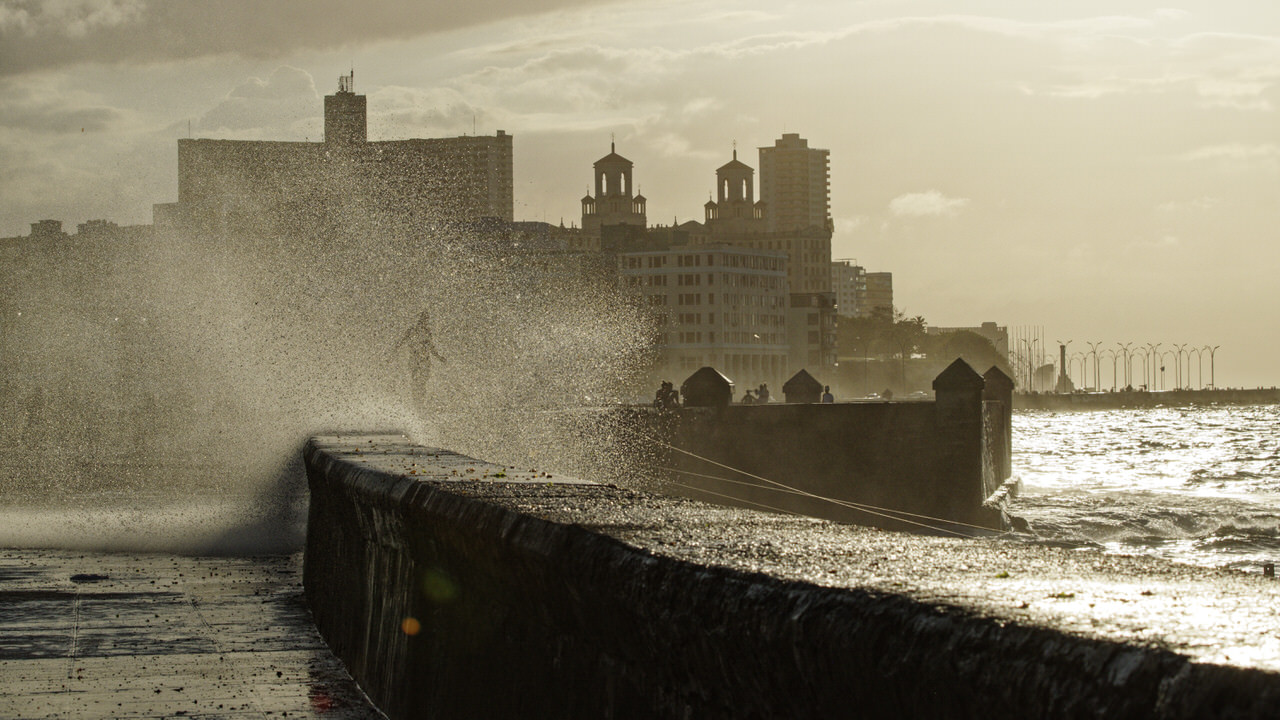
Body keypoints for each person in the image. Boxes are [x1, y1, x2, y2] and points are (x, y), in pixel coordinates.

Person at [392, 310, 446, 410]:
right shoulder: (413, 331)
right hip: (416, 360)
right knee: (417, 381)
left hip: (424, 360)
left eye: (426, 319)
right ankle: (417, 403)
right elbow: (401, 342)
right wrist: (393, 352)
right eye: (424, 319)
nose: (425, 321)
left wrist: (439, 357)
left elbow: (431, 347)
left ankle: (419, 403)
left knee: (422, 382)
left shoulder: (425, 332)